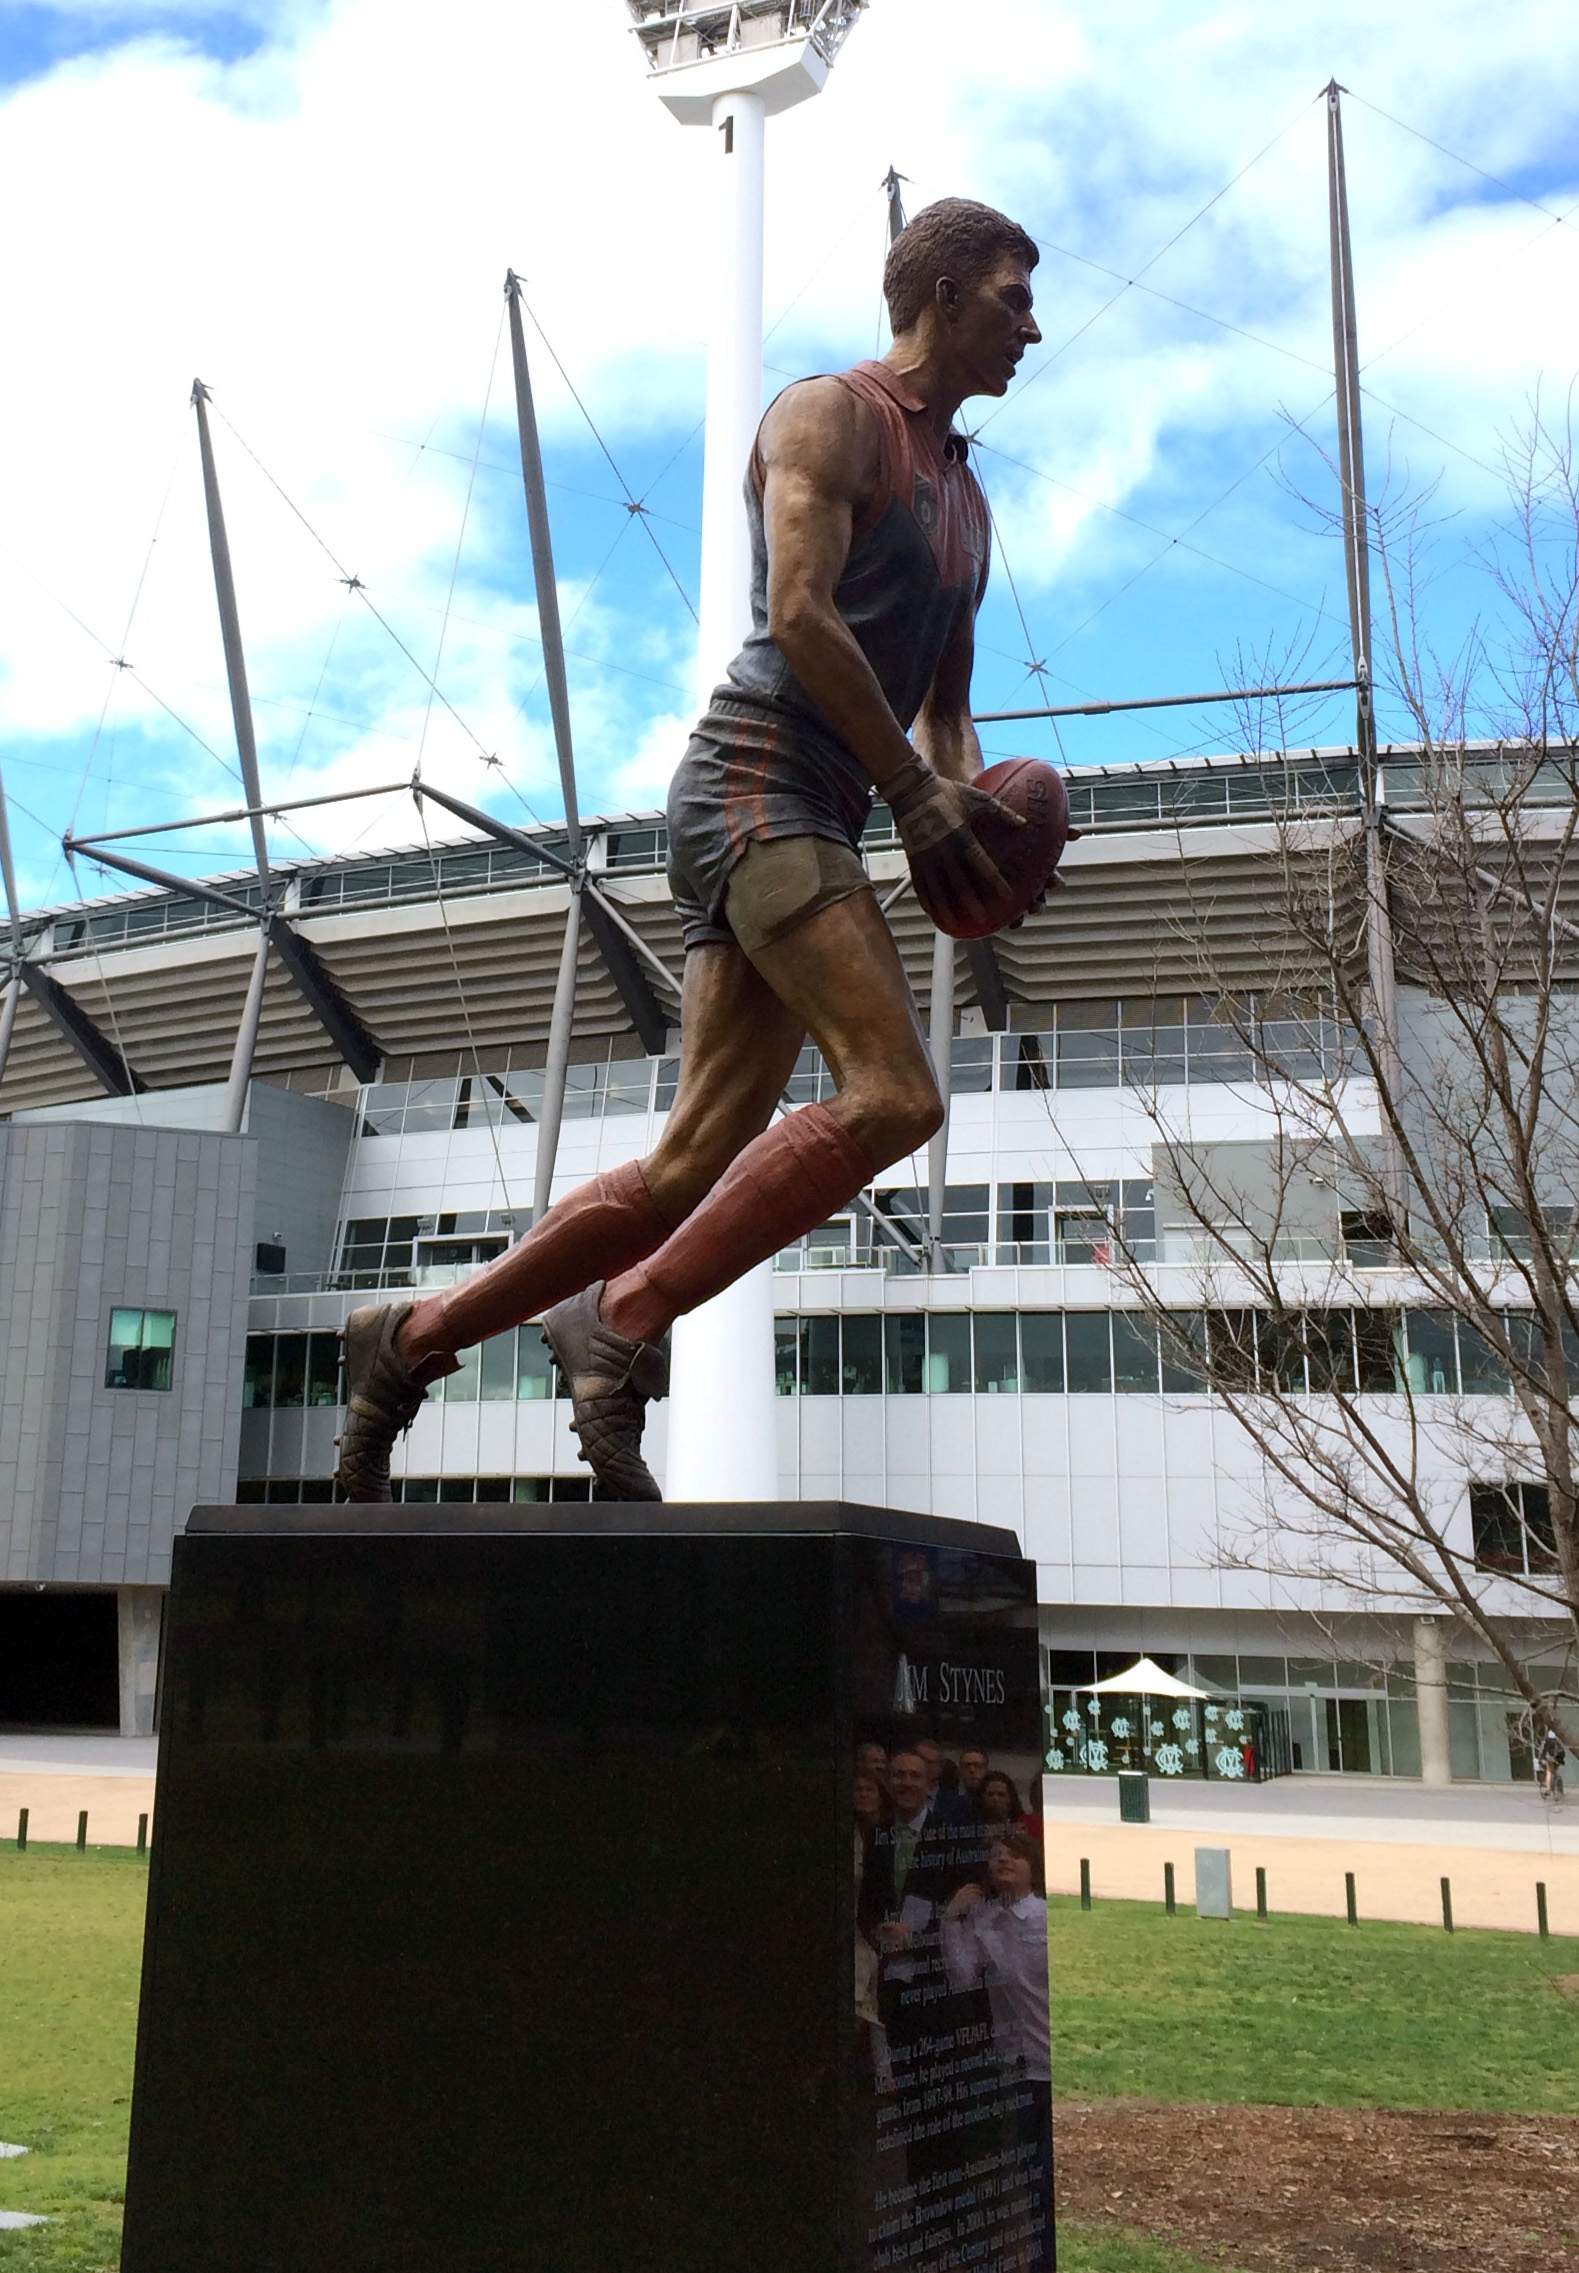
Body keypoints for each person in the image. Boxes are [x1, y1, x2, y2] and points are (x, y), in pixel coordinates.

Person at [333, 198, 1043, 1502]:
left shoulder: (965, 504)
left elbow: (944, 712)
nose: (1031, 327)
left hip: (820, 802)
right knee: (896, 1095)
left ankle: (408, 1337)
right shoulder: (827, 416)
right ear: (942, 296)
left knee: (687, 1162)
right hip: (755, 778)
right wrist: (908, 794)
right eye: (1012, 297)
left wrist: (966, 817)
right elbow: (797, 611)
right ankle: (622, 1314)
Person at [1537, 1724, 1566, 1802]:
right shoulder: (1557, 1741)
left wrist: (1541, 1759)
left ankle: (1549, 1789)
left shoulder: (1547, 1742)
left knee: (1549, 1772)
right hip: (1557, 1759)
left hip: (1551, 1759)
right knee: (1555, 1772)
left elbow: (1543, 1752)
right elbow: (1562, 1752)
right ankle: (1558, 1787)